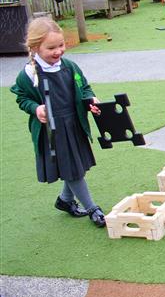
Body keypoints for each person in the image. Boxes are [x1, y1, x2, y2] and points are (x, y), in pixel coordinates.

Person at [10, 17, 106, 228]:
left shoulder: (70, 67)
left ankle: (65, 200)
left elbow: (84, 87)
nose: (58, 51)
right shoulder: (28, 75)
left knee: (74, 166)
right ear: (35, 48)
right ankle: (92, 208)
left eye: (61, 45)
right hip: (52, 130)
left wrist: (91, 100)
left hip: (74, 123)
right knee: (73, 169)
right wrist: (35, 108)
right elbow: (21, 98)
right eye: (51, 48)